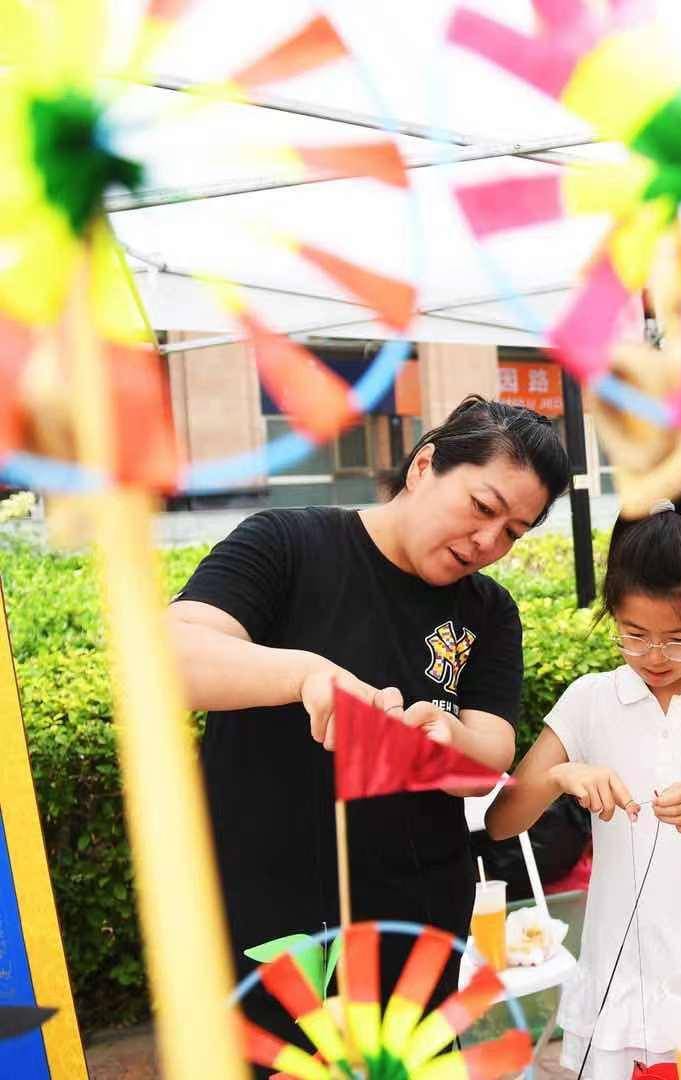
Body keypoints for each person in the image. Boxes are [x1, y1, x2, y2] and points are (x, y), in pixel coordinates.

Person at [168, 396, 570, 1065]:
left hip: (414, 935)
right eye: (482, 507)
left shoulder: (489, 612)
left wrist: (444, 738)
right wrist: (303, 676)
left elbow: (492, 748)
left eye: (514, 532)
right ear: (425, 466)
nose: (488, 542)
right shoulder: (286, 545)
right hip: (265, 924)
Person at [486, 495, 681, 1080]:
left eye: (678, 638)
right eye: (633, 634)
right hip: (618, 989)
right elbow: (503, 821)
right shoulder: (591, 701)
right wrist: (558, 776)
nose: (654, 655)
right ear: (612, 615)